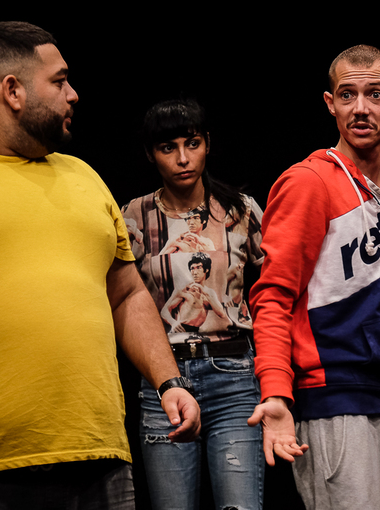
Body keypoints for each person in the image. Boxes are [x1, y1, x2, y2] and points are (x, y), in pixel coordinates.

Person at [0, 21, 200, 510]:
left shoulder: (84, 176)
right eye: (59, 81)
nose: (73, 94)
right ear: (13, 91)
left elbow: (127, 294)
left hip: (98, 467)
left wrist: (168, 382)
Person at [246, 44, 380, 510]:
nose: (360, 108)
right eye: (347, 95)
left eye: (375, 94)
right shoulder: (309, 182)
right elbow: (272, 297)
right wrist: (276, 394)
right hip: (335, 401)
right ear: (331, 104)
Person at [121, 98, 266, 510]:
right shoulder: (134, 216)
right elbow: (120, 297)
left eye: (193, 143)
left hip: (234, 375)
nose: (183, 158)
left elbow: (275, 289)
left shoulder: (239, 210)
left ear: (208, 144)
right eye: (168, 147)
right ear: (150, 153)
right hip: (164, 377)